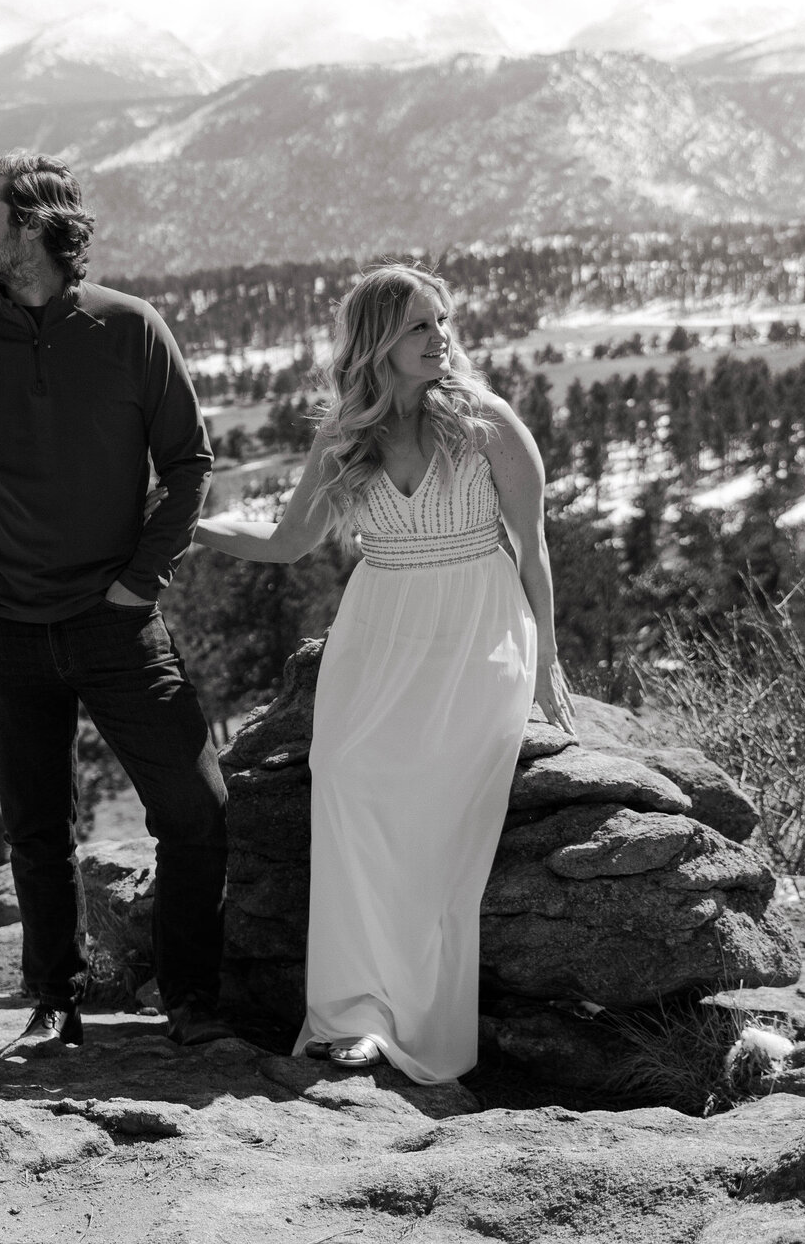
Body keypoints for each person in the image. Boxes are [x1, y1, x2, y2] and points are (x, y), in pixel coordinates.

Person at [192, 264, 574, 1082]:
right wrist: (189, 528)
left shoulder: (488, 423)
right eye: (418, 326)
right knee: (347, 777)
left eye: (442, 322)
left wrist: (545, 661)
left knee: (436, 805)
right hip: (377, 631)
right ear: (377, 341)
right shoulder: (345, 437)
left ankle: (420, 1021)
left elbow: (532, 547)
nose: (440, 338)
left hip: (478, 624)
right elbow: (286, 542)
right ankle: (353, 1016)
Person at [0, 151, 230, 1049]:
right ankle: (54, 1003)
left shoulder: (131, 329)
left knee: (196, 809)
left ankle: (193, 1002)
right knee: (36, 829)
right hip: (2, 630)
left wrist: (138, 585)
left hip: (116, 624)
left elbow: (191, 463)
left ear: (34, 225)